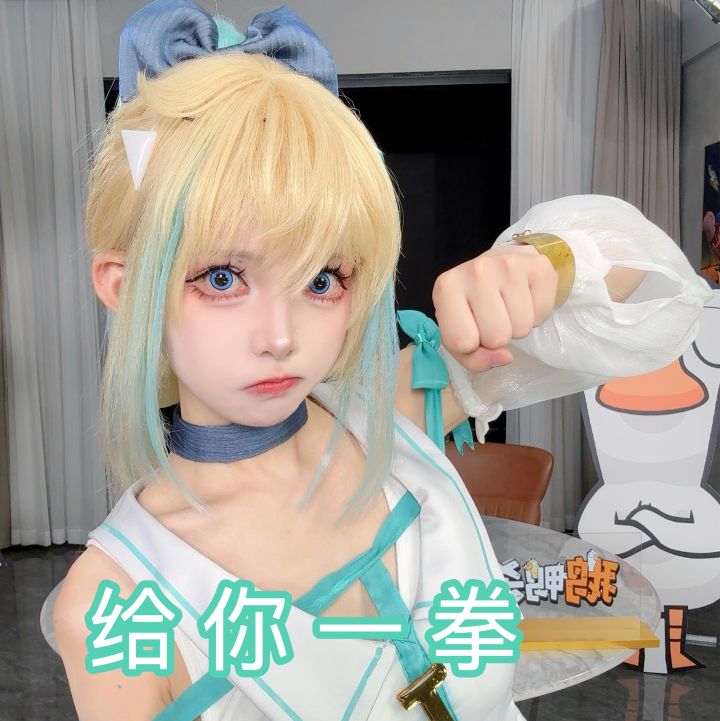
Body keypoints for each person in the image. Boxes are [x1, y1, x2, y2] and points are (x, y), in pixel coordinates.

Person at [49, 2, 713, 720]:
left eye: (321, 279)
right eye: (221, 278)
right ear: (125, 287)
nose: (281, 336)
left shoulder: (390, 419)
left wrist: (548, 264)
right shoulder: (116, 600)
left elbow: (657, 296)